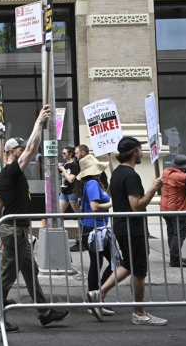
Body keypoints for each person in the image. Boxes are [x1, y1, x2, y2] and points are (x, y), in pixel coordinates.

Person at [0, 105, 70, 333]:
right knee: (7, 276)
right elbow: (33, 148)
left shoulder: (7, 175)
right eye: (20, 149)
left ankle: (45, 313)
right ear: (12, 152)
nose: (25, 152)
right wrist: (38, 122)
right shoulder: (12, 171)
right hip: (15, 231)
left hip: (14, 229)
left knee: (30, 272)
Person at [87, 137, 166, 326]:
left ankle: (100, 293)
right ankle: (139, 312)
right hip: (133, 228)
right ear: (134, 152)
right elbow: (136, 206)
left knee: (130, 265)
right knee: (138, 270)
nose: (142, 152)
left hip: (122, 227)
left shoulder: (117, 173)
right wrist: (153, 189)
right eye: (140, 149)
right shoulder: (130, 175)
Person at [74, 155, 116, 320]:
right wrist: (114, 203)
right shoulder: (92, 184)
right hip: (95, 229)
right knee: (115, 263)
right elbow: (95, 207)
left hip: (93, 228)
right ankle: (97, 295)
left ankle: (95, 298)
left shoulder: (89, 183)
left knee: (98, 263)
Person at [160, 154, 186, 268]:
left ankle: (175, 256)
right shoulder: (182, 177)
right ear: (184, 167)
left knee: (171, 233)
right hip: (179, 209)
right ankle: (175, 260)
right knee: (179, 235)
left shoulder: (166, 172)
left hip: (165, 208)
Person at [58, 146, 79, 214]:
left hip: (71, 192)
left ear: (70, 154)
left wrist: (63, 170)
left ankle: (83, 224)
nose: (62, 154)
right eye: (62, 153)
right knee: (59, 213)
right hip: (64, 191)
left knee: (78, 213)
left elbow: (71, 180)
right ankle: (59, 225)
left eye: (64, 153)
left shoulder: (73, 165)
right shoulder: (64, 164)